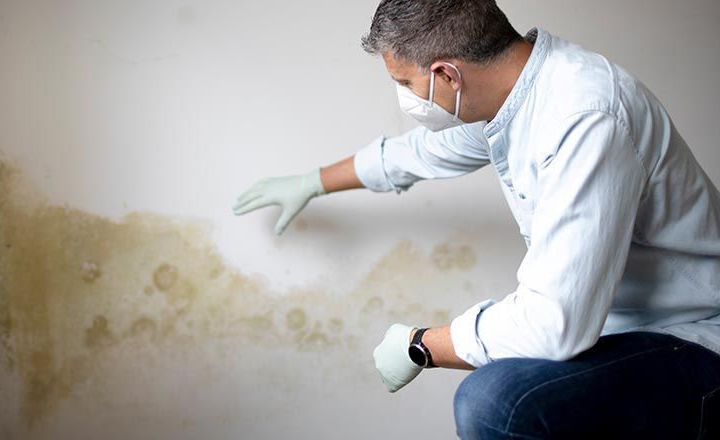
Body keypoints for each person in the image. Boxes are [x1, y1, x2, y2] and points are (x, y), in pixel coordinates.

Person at [231, 0, 720, 437]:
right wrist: (312, 182)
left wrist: (420, 345)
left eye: (404, 83)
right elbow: (417, 154)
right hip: (620, 332)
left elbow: (553, 325)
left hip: (692, 336)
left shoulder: (584, 115)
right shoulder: (519, 97)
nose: (405, 98)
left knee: (495, 402)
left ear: (447, 75)